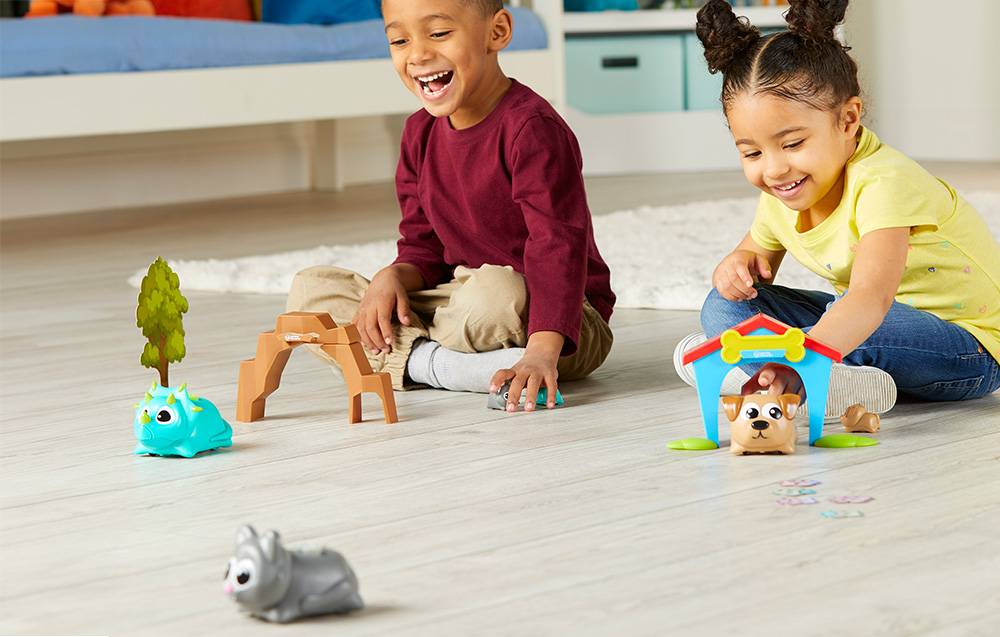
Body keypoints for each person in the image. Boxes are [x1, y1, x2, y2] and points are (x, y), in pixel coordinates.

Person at [674, 0, 1000, 418]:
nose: (774, 169)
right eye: (752, 152)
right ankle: (805, 376)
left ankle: (774, 370)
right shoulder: (783, 191)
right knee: (723, 306)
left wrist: (810, 345)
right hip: (865, 325)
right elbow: (754, 262)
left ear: (848, 120)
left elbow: (870, 299)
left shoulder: (885, 183)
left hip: (969, 349)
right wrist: (736, 266)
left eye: (792, 144)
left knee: (857, 319)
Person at [288, 0, 615, 412]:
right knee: (310, 290)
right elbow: (423, 251)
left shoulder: (532, 129)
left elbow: (557, 246)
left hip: (559, 321)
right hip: (459, 301)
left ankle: (413, 360)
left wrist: (542, 352)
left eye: (439, 34)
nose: (419, 54)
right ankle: (439, 365)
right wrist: (393, 278)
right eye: (399, 40)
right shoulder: (418, 134)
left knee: (496, 293)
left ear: (496, 33)